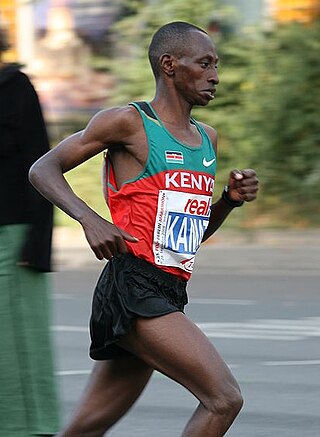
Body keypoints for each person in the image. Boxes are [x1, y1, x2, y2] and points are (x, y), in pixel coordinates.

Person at [29, 21, 259, 437]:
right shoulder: (128, 122)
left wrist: (227, 201)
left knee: (85, 428)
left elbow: (189, 236)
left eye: (217, 65)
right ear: (170, 65)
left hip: (169, 288)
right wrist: (89, 218)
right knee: (223, 399)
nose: (215, 75)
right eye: (204, 63)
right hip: (133, 287)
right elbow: (43, 168)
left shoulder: (207, 138)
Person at [0, 27, 60, 436]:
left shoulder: (16, 87)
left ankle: (28, 429)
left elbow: (45, 165)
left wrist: (39, 240)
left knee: (18, 344)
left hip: (15, 236)